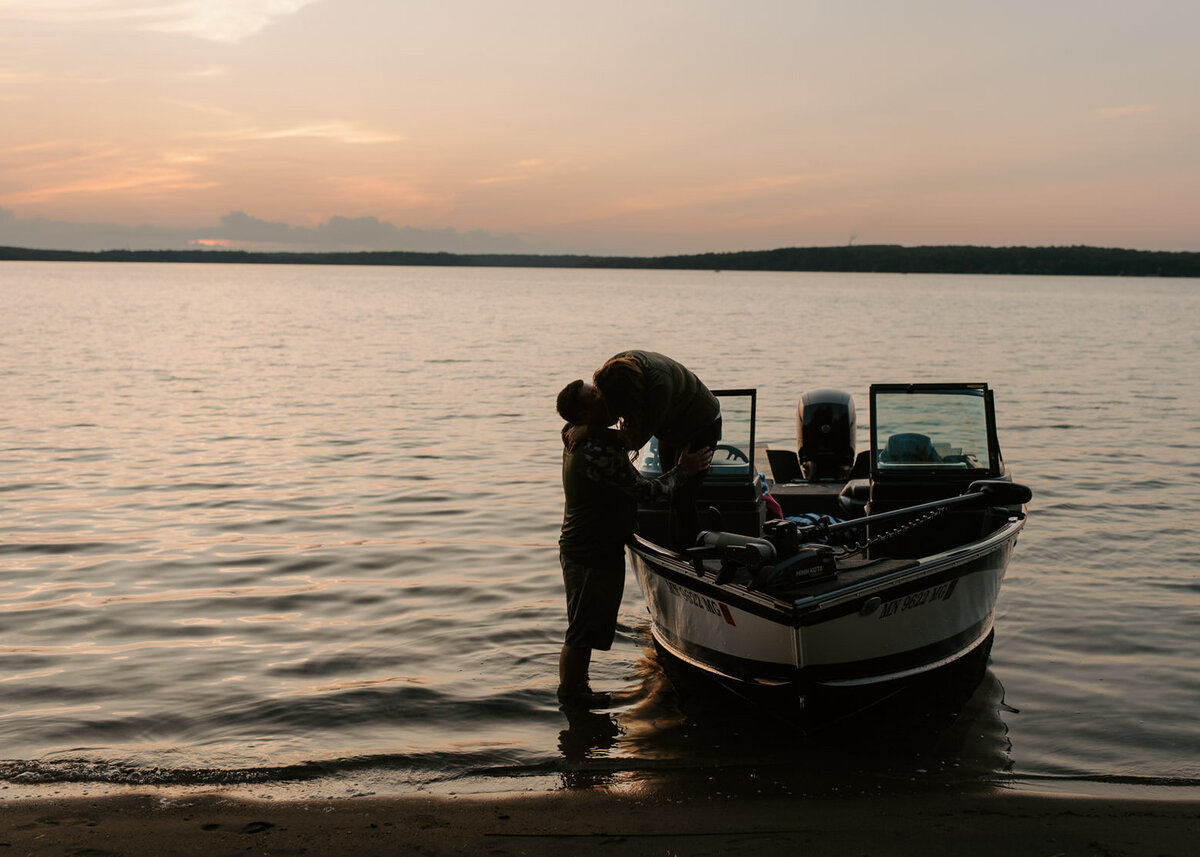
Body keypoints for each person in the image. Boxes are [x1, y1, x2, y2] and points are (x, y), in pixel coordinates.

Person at [555, 384, 712, 701]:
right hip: (591, 551)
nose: (603, 395)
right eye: (595, 396)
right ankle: (573, 694)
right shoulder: (596, 451)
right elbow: (648, 492)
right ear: (584, 414)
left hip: (588, 546)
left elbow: (609, 436)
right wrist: (684, 470)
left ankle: (576, 702)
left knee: (586, 625)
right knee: (582, 630)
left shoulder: (583, 434)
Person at [588, 350, 722, 550]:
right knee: (672, 490)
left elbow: (633, 440)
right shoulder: (612, 369)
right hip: (670, 424)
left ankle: (689, 557)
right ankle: (675, 548)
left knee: (683, 495)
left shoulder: (659, 389)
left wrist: (590, 431)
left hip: (701, 424)